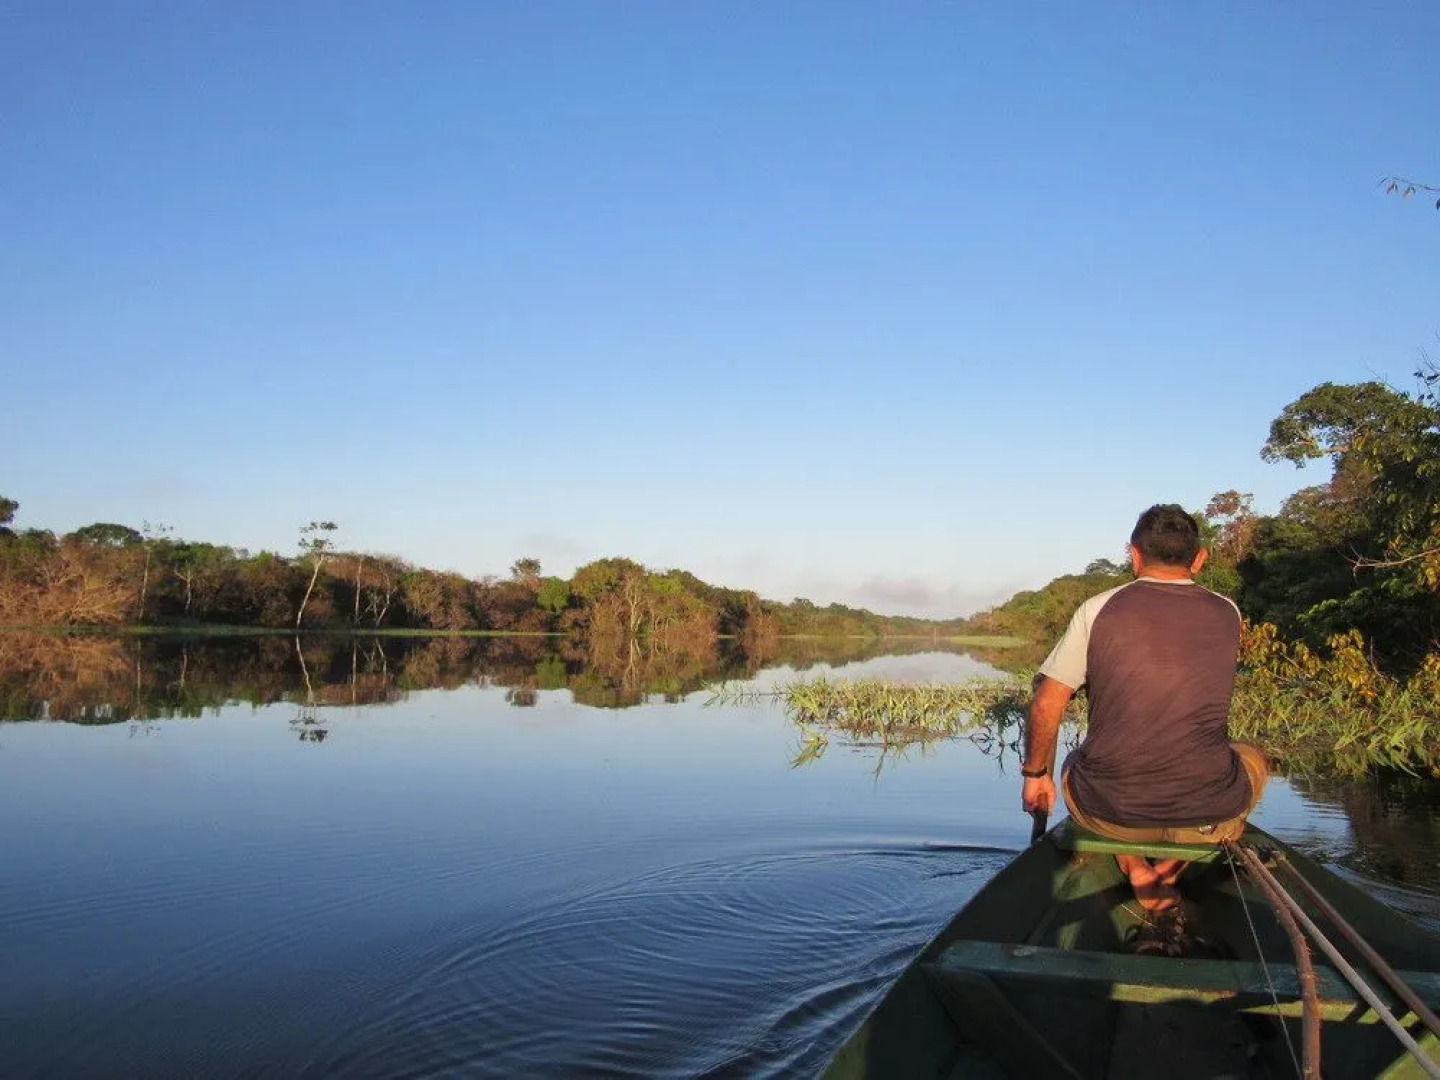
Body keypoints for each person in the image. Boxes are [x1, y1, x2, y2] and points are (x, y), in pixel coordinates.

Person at [1019, 504, 1268, 913]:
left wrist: (1035, 776)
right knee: (1252, 756)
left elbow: (1046, 702)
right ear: (1200, 559)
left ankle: (1135, 867)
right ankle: (1170, 870)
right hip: (1206, 816)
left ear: (1134, 554)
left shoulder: (1098, 609)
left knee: (1074, 762)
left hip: (1110, 813)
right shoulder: (1229, 611)